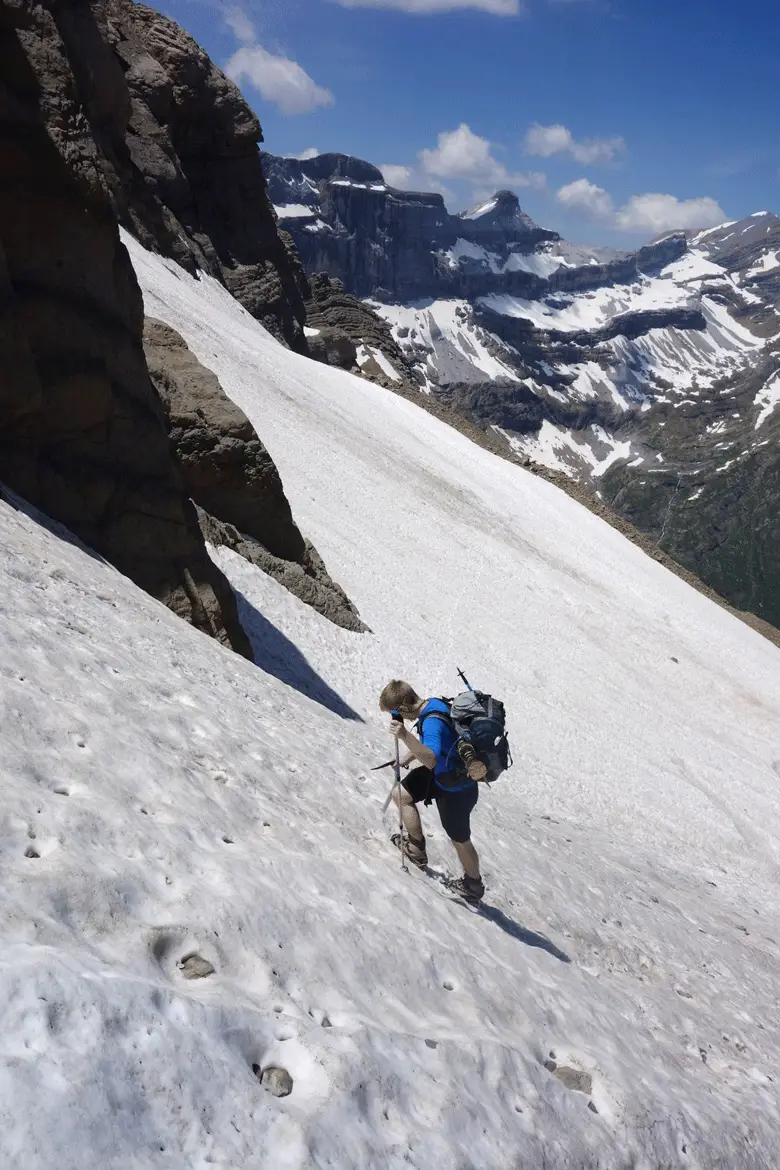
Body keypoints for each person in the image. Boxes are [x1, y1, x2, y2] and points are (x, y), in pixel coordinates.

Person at [378, 679, 486, 902]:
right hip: (444, 775)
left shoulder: (430, 723)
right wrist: (407, 758)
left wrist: (404, 736)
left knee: (459, 838)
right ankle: (416, 849)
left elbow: (431, 759)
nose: (398, 718)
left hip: (456, 787)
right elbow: (434, 744)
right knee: (401, 794)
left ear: (405, 707)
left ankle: (473, 885)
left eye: (396, 712)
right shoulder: (435, 704)